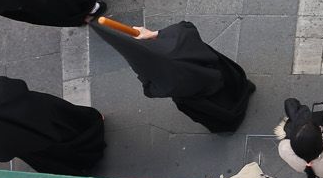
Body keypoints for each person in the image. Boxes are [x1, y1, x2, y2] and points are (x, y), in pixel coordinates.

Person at [89, 18, 254, 134]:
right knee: (234, 86)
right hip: (222, 73)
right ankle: (245, 91)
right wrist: (156, 34)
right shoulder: (177, 43)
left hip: (203, 98)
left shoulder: (159, 77)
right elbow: (186, 27)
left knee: (219, 109)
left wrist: (143, 75)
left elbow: (150, 91)